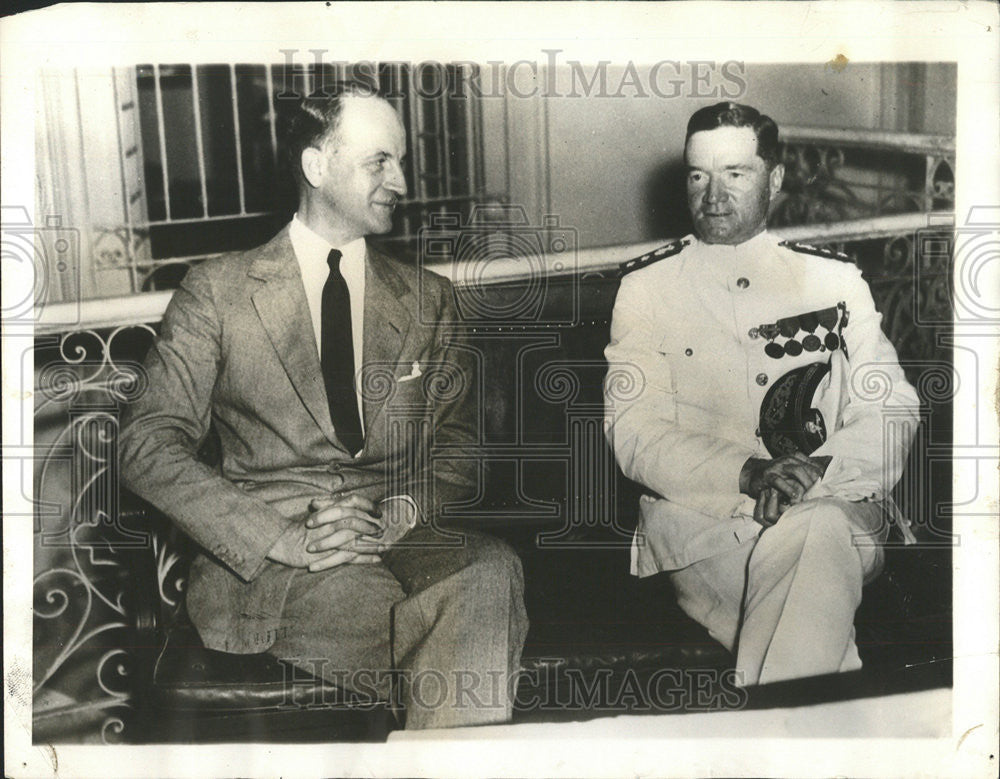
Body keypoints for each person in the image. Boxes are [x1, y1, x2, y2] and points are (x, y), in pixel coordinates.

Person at [120, 83, 528, 729]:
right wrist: (283, 538)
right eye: (380, 162)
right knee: (444, 627)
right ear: (316, 167)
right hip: (277, 567)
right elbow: (147, 444)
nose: (401, 180)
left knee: (489, 569)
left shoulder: (428, 298)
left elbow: (461, 440)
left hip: (401, 535)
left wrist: (400, 509)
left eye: (401, 160)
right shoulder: (218, 291)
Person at [603, 102, 920, 687]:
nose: (713, 195)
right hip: (708, 529)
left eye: (735, 174)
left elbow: (891, 404)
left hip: (837, 501)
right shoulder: (646, 290)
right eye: (699, 175)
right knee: (814, 556)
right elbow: (635, 431)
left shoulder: (833, 278)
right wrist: (748, 474)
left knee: (817, 527)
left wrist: (817, 472)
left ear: (774, 179)